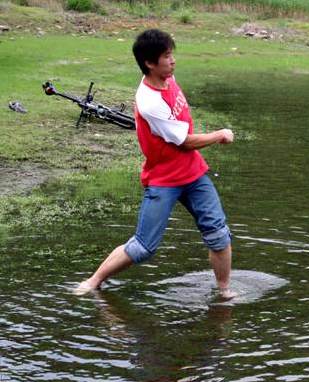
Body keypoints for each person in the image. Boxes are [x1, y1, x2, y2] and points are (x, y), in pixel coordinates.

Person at [76, 29, 237, 299]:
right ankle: (94, 281)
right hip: (164, 179)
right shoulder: (149, 101)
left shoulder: (168, 78)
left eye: (172, 54)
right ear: (150, 63)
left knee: (218, 234)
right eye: (166, 56)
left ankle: (223, 292)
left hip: (193, 173)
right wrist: (219, 135)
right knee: (143, 247)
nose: (172, 61)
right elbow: (183, 141)